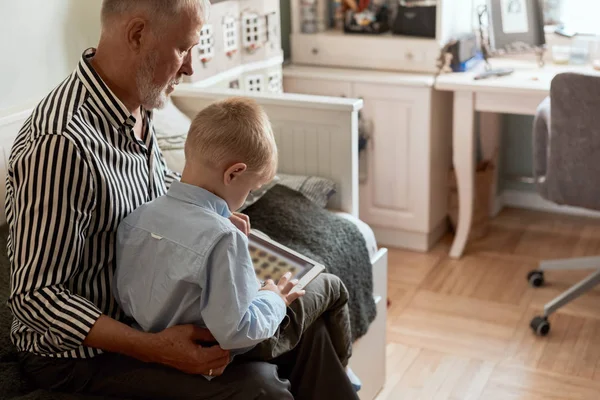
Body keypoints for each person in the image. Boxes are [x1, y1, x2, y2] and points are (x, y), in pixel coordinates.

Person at [5, 0, 361, 398]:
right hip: (82, 356)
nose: (191, 67)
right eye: (183, 49)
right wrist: (155, 349)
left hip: (154, 308)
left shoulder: (136, 103)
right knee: (261, 388)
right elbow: (35, 298)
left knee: (304, 307)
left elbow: (158, 188)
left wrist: (214, 216)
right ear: (138, 34)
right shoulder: (61, 145)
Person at [112, 97, 355, 382]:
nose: (246, 198)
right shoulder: (224, 238)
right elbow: (238, 330)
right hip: (214, 350)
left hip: (150, 340)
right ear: (234, 173)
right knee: (328, 287)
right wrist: (273, 298)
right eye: (251, 190)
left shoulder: (136, 218)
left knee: (314, 316)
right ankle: (347, 373)